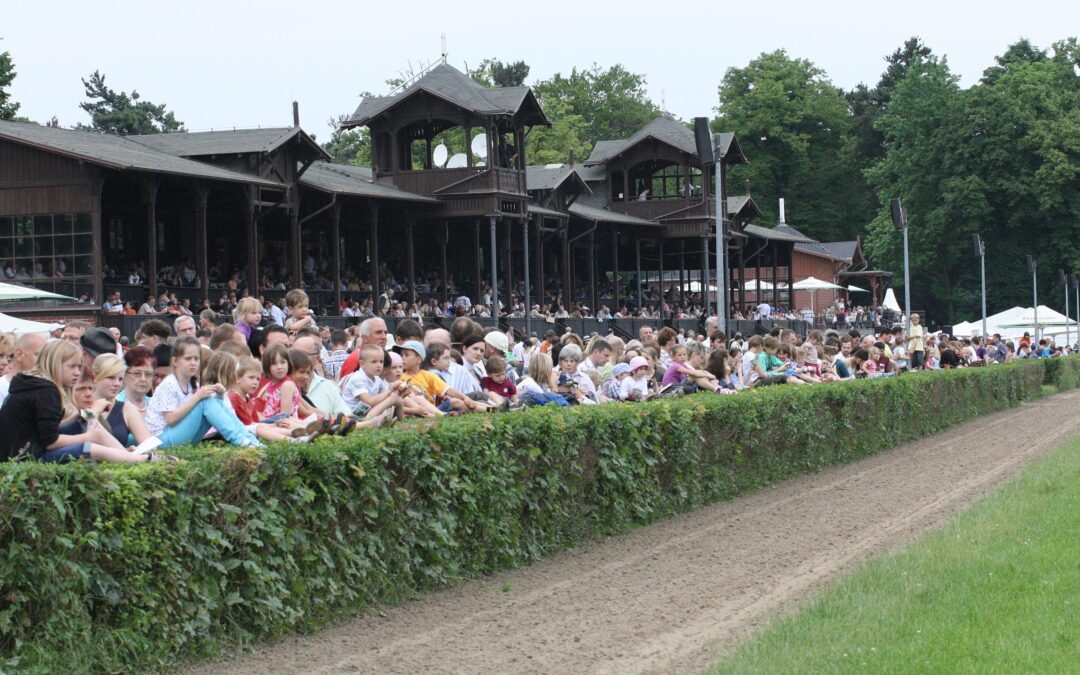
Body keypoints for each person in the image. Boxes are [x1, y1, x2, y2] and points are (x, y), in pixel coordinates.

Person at [0, 341, 164, 462]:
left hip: (21, 452)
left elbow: (48, 430)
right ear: (55, 364)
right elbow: (51, 442)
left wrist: (83, 415)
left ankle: (129, 457)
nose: (77, 372)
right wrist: (89, 436)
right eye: (72, 367)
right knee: (93, 445)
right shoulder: (46, 390)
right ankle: (140, 460)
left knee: (89, 426)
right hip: (24, 458)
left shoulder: (34, 384)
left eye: (79, 367)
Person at [145, 336, 262, 449]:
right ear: (175, 361)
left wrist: (219, 395)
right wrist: (197, 397)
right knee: (205, 402)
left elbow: (204, 412)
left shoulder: (191, 383)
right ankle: (239, 440)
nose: (193, 363)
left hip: (177, 435)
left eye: (196, 359)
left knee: (212, 401)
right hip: (161, 439)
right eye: (188, 358)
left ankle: (251, 440)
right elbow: (170, 419)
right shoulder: (169, 383)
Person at [91, 353, 156, 447]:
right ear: (94, 378)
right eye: (111, 377)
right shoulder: (80, 404)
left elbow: (149, 445)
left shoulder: (127, 409)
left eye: (120, 379)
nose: (117, 383)